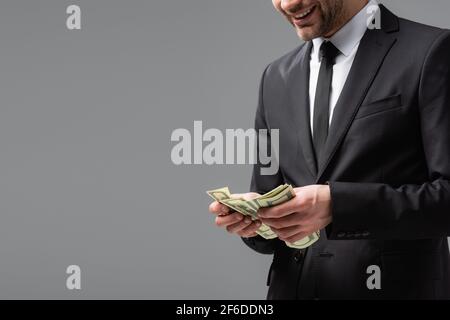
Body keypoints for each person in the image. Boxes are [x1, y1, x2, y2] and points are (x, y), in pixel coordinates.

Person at [209, 0, 450, 299]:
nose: (289, 3)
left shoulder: (432, 51)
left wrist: (338, 206)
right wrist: (254, 222)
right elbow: (268, 206)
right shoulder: (275, 77)